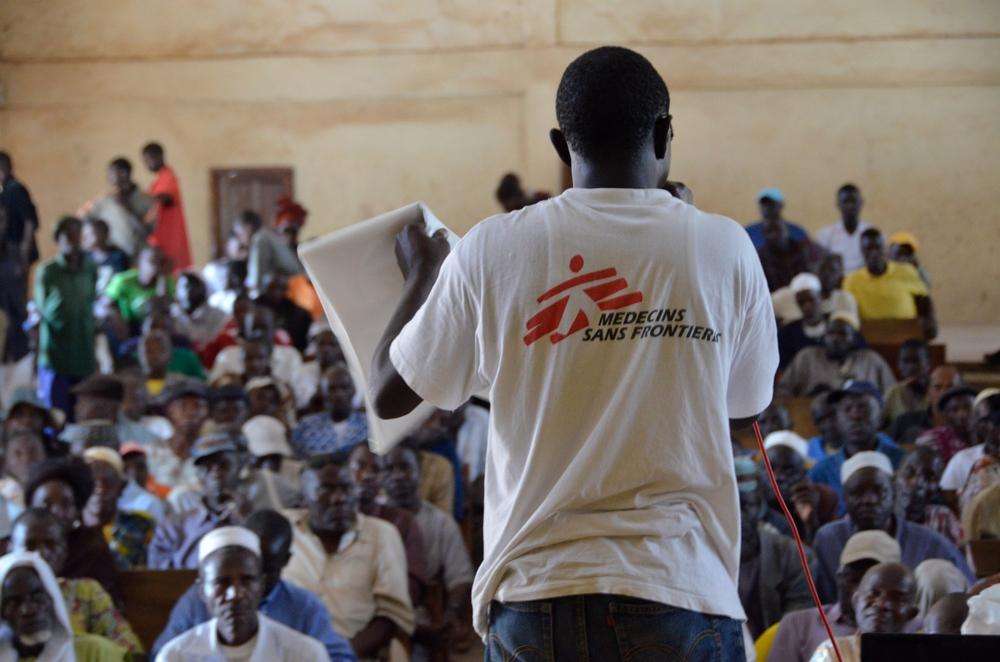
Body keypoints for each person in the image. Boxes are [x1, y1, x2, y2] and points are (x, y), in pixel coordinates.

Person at [368, 46, 778, 657]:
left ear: (561, 148)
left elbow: (388, 393)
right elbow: (744, 412)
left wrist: (424, 273)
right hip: (678, 591)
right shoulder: (725, 247)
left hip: (538, 601)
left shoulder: (493, 248)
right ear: (665, 135)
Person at [152, 511, 355, 660]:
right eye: (222, 582)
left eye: (247, 579)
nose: (235, 594)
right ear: (202, 590)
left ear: (261, 581)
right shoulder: (176, 654)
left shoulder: (305, 648)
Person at [282, 454, 414, 659]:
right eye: (326, 490)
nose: (339, 498)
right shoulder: (285, 530)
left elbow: (391, 616)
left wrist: (339, 655)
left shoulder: (382, 534)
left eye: (346, 488)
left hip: (358, 652)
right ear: (304, 498)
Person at [812, 452, 972, 603]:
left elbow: (969, 589)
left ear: (894, 494)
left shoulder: (929, 542)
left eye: (879, 491)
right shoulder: (828, 539)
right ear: (844, 498)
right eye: (857, 493)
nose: (869, 500)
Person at [378, 446, 474, 653]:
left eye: (405, 467)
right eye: (389, 469)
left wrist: (452, 611)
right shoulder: (372, 517)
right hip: (376, 610)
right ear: (380, 476)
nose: (398, 476)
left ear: (419, 472)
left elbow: (459, 576)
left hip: (420, 612)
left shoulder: (440, 522)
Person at [9, 508, 144, 654]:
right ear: (11, 549)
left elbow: (131, 651)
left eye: (51, 545)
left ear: (65, 551)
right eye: (30, 545)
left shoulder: (86, 593)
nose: (41, 553)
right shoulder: (3, 599)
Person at [767, 529, 902, 662]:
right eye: (854, 580)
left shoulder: (912, 628)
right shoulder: (799, 624)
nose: (858, 593)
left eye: (874, 589)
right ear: (839, 578)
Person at [24, 456, 122, 604]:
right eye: (46, 504)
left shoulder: (91, 548)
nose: (56, 512)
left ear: (77, 510)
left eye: (66, 504)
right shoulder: (18, 545)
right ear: (31, 508)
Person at [148, 432, 252, 568]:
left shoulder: (253, 518)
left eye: (224, 465)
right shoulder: (173, 527)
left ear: (238, 468)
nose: (216, 473)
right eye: (207, 466)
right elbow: (159, 579)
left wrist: (246, 519)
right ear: (197, 474)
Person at [0, 550, 128, 661]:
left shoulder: (95, 652)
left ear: (54, 598)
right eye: (14, 602)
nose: (29, 610)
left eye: (38, 597)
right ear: (3, 614)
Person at [735, 458, 811, 637]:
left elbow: (795, 627)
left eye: (747, 506)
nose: (739, 517)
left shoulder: (791, 555)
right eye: (732, 507)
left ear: (760, 507)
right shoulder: (698, 557)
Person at [347, 443, 429, 604]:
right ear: (346, 471)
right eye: (360, 466)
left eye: (376, 470)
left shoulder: (402, 521)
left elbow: (413, 583)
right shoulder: (331, 520)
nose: (367, 475)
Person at [34, 216, 98, 416]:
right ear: (57, 239)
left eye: (76, 234)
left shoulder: (90, 268)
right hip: (56, 357)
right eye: (67, 235)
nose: (72, 239)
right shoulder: (48, 271)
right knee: (56, 416)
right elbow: (42, 309)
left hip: (84, 355)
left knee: (83, 414)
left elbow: (92, 300)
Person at [808, 382, 904, 503]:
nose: (855, 415)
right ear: (837, 419)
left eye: (863, 408)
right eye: (847, 409)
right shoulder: (821, 473)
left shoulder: (901, 463)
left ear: (880, 417)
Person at [811, 562, 919, 662]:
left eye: (896, 598)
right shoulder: (831, 652)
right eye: (874, 593)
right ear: (856, 601)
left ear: (911, 613)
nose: (881, 604)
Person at [844, 228, 937, 338]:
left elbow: (924, 301)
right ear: (861, 251)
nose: (874, 253)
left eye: (877, 247)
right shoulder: (852, 280)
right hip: (870, 338)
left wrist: (930, 321)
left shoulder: (906, 271)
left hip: (908, 336)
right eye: (868, 249)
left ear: (884, 249)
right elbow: (848, 313)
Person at [777, 313, 896, 397]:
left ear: (853, 339)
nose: (835, 339)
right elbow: (783, 391)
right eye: (831, 333)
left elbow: (891, 393)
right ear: (823, 337)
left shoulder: (871, 360)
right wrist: (809, 398)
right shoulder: (807, 357)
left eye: (842, 334)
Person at [80, 448, 156, 569]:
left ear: (121, 487)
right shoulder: (70, 530)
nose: (100, 488)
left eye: (108, 481)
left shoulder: (141, 524)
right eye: (92, 482)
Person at [762, 433, 840, 543]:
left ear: (803, 473)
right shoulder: (754, 501)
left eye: (788, 469)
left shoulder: (823, 499)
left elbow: (827, 550)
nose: (777, 477)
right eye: (769, 468)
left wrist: (811, 522)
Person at [80, 157, 155, 258]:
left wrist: (129, 209)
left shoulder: (147, 200)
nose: (108, 178)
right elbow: (83, 218)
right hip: (114, 258)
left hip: (139, 256)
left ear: (124, 173)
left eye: (111, 173)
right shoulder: (104, 200)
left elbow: (147, 232)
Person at [145, 379, 210, 490]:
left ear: (207, 412)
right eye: (183, 405)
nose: (191, 412)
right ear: (169, 410)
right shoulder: (151, 452)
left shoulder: (212, 456)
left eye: (198, 406)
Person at [291, 364, 367, 457]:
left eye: (344, 387)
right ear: (322, 393)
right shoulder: (306, 426)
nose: (339, 394)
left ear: (353, 390)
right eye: (332, 389)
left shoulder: (368, 424)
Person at [895, 446, 962, 546]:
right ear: (896, 475)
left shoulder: (943, 519)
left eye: (928, 476)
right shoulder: (879, 517)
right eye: (909, 473)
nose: (917, 482)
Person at [941, 391, 1000, 502]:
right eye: (988, 421)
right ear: (979, 425)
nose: (995, 427)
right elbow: (950, 501)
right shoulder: (962, 460)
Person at [142, 141, 192, 272]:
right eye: (145, 161)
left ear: (159, 156)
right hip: (159, 237)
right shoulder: (158, 180)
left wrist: (142, 199)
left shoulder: (168, 176)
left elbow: (164, 197)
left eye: (149, 159)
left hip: (169, 239)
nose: (147, 164)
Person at [101, 245, 174, 333]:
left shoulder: (166, 281)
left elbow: (165, 307)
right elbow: (104, 304)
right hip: (128, 326)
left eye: (161, 262)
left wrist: (163, 277)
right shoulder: (123, 280)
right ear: (140, 262)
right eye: (152, 261)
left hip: (156, 326)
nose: (156, 265)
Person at [233, 209, 303, 296]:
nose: (240, 240)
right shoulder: (267, 235)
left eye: (239, 234)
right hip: (298, 285)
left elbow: (255, 282)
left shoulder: (260, 239)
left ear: (248, 227)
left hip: (299, 287)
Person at [890, 364, 964, 444]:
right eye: (937, 387)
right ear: (929, 393)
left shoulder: (968, 427)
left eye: (950, 387)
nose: (944, 393)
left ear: (962, 392)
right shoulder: (904, 422)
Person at [170, 271, 232, 366]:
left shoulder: (218, 315)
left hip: (212, 362)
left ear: (203, 288)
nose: (187, 291)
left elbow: (212, 342)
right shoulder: (171, 316)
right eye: (182, 287)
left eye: (192, 286)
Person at [756, 210, 823, 292]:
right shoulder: (761, 257)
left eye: (777, 229)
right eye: (769, 232)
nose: (774, 235)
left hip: (805, 294)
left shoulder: (804, 249)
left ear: (786, 230)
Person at [814, 183, 871, 272]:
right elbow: (821, 265)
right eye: (846, 202)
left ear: (861, 203)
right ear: (838, 204)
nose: (850, 206)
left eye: (853, 201)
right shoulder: (825, 235)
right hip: (836, 283)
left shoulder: (870, 233)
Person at [0, 151, 39, 277]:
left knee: (15, 292)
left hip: (16, 251)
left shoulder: (15, 190)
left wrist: (23, 254)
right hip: (9, 252)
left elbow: (29, 222)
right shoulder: (5, 190)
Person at [777, 273, 828, 370]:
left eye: (811, 300)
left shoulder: (838, 325)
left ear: (821, 297)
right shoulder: (787, 333)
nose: (807, 307)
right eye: (802, 302)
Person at [915, 385, 977, 464]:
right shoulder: (935, 438)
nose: (962, 414)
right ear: (945, 415)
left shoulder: (984, 434)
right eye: (955, 410)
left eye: (967, 407)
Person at [882, 339, 931, 428]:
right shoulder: (893, 393)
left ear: (927, 364)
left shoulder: (936, 391)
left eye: (916, 361)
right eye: (906, 361)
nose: (911, 367)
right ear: (899, 365)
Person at [744, 188, 810, 251]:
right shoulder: (749, 232)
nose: (767, 207)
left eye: (771, 204)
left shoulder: (797, 232)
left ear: (781, 205)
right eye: (764, 204)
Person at [82, 218, 130, 293]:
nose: (85, 238)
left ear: (102, 233)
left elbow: (123, 282)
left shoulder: (118, 256)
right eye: (84, 235)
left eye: (90, 234)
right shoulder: (83, 259)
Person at [806, 391, 843, 461]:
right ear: (815, 423)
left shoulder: (855, 446)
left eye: (832, 416)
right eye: (822, 419)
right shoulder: (810, 449)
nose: (829, 424)